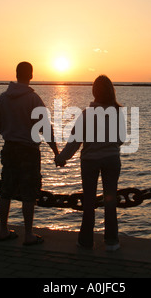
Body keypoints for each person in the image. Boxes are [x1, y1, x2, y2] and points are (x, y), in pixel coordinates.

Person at [55, 75, 125, 251]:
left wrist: (62, 158)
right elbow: (121, 139)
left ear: (94, 92)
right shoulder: (117, 112)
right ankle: (112, 242)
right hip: (111, 160)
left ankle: (86, 241)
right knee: (110, 201)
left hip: (90, 161)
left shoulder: (87, 114)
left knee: (88, 202)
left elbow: (75, 141)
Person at [0, 61, 59, 245]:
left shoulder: (3, 98)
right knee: (29, 193)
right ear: (31, 75)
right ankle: (28, 234)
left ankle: (2, 230)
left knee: (6, 190)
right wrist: (56, 152)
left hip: (9, 148)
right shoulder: (33, 99)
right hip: (28, 150)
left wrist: (10, 128)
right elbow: (45, 128)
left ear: (16, 74)